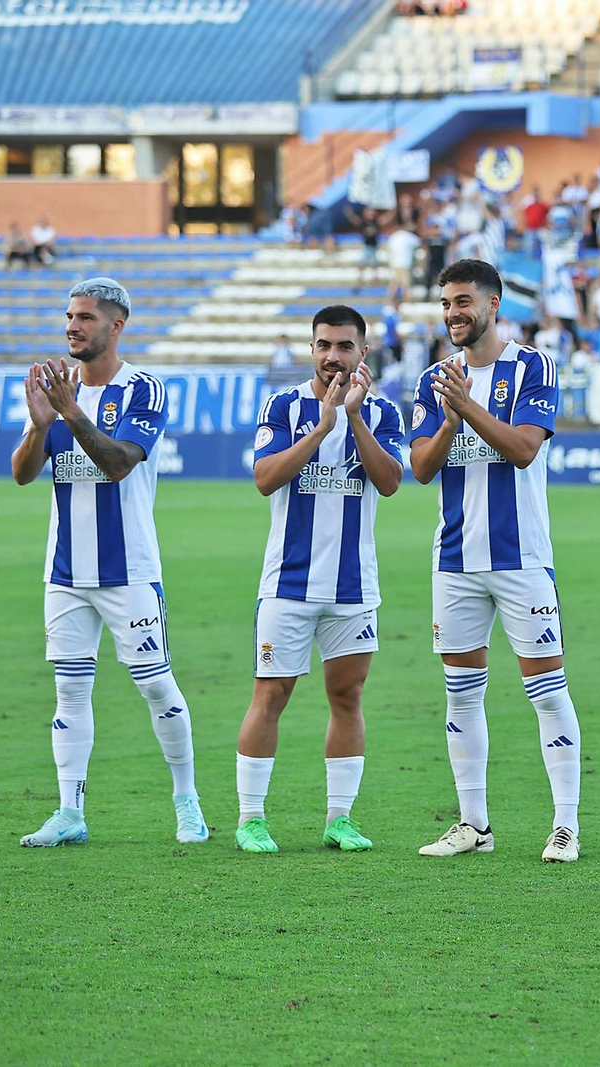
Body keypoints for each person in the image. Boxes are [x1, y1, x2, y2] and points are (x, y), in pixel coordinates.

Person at [9, 278, 210, 848]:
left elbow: (119, 463)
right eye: (69, 316)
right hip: (65, 574)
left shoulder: (143, 388)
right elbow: (23, 472)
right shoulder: (54, 389)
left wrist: (71, 415)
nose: (73, 326)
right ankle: (69, 812)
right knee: (69, 692)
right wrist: (43, 424)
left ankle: (187, 800)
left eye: (86, 318)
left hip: (130, 572)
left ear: (116, 326)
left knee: (155, 687)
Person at [410, 259, 583, 864]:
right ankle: (472, 823)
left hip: (522, 558)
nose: (454, 314)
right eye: (446, 304)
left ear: (494, 305)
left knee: (546, 691)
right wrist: (450, 413)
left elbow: (524, 450)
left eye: (464, 302)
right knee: (461, 694)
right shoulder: (435, 378)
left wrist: (469, 408)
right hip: (454, 559)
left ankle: (565, 826)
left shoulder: (533, 366)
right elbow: (423, 468)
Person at [235, 307, 404, 854]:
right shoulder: (283, 406)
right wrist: (323, 426)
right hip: (287, 584)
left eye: (345, 347)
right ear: (312, 348)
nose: (334, 356)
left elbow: (390, 482)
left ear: (363, 352)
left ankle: (339, 819)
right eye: (324, 345)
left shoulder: (381, 412)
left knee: (347, 696)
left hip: (353, 588)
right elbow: (265, 479)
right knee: (272, 695)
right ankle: (251, 818)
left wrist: (352, 419)